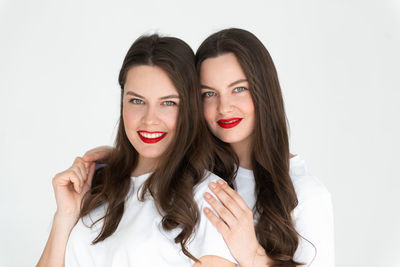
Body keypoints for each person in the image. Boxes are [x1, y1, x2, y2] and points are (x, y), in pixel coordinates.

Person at [84, 28, 334, 267]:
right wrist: (123, 160)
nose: (224, 107)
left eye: (238, 89)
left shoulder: (306, 195)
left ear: (264, 91)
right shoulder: (194, 177)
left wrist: (253, 255)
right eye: (208, 94)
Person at [36, 34, 237, 267]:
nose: (150, 120)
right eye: (137, 101)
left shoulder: (210, 198)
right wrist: (65, 216)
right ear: (122, 102)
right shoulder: (97, 184)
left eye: (168, 103)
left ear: (190, 109)